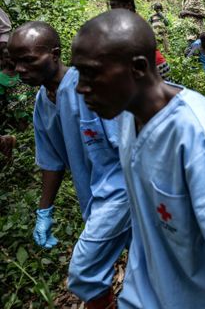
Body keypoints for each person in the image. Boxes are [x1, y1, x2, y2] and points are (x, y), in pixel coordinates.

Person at [71, 10, 205, 308]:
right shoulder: (127, 116)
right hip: (145, 293)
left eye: (91, 74)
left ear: (138, 68)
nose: (80, 88)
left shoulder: (193, 132)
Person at [8, 21, 130, 308]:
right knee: (144, 259)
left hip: (123, 192)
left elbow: (133, 148)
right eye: (16, 63)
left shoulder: (93, 86)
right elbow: (51, 159)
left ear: (55, 54)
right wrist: (44, 210)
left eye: (28, 60)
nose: (21, 69)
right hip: (95, 197)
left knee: (84, 271)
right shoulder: (43, 101)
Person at [109, 0, 171, 80]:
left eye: (115, 7)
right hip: (153, 65)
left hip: (156, 68)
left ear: (128, 5)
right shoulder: (131, 20)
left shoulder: (132, 23)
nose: (112, 12)